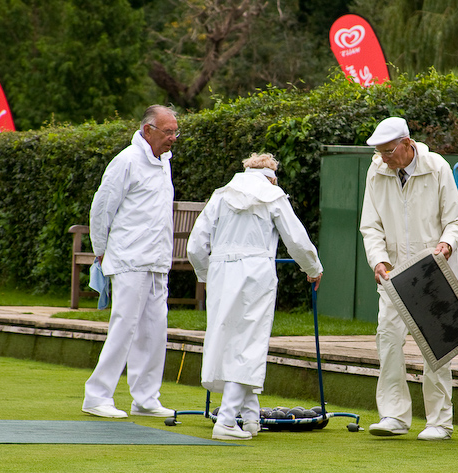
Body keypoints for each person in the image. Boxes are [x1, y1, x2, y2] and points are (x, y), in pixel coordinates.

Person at [187, 153, 323, 440]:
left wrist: (206, 274)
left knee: (229, 341)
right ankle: (225, 420)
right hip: (255, 272)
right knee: (248, 343)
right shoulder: (272, 195)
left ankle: (249, 419)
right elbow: (295, 238)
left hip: (221, 272)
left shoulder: (221, 195)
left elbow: (196, 245)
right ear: (271, 176)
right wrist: (313, 268)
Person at [359, 117, 458, 441]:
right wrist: (378, 260)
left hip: (434, 268)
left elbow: (456, 221)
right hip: (393, 273)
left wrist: (446, 245)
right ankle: (393, 415)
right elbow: (371, 226)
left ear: (407, 143)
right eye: (379, 153)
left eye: (389, 151)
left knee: (435, 344)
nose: (384, 159)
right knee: (388, 338)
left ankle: (439, 422)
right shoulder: (376, 171)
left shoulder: (437, 168)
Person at [82, 105, 179, 419]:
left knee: (155, 330)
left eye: (176, 131)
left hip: (156, 260)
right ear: (148, 130)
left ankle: (146, 398)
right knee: (124, 327)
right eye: (168, 131)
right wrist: (100, 249)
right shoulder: (126, 161)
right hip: (129, 259)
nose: (173, 138)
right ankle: (96, 396)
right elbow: (102, 207)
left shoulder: (164, 162)